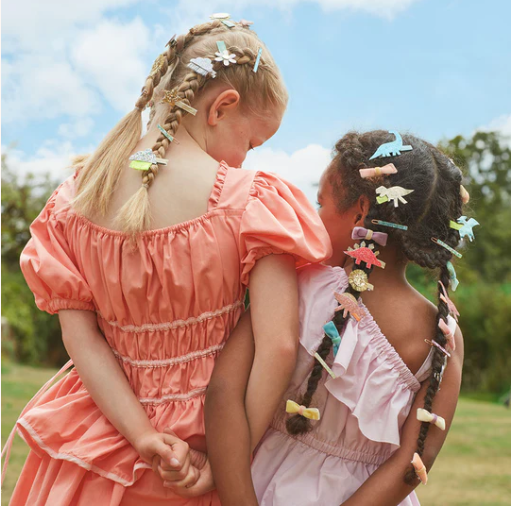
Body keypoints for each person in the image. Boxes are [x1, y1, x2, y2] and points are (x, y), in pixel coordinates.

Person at [2, 17, 332, 505]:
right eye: (252, 142)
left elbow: (81, 340)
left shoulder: (72, 202)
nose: (245, 158)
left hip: (101, 445)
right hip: (213, 444)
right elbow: (278, 346)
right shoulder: (253, 202)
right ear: (222, 108)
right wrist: (229, 460)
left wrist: (144, 437)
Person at [205, 130, 467, 505]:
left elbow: (223, 390)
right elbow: (418, 457)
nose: (314, 218)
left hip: (262, 485)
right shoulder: (441, 336)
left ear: (361, 211)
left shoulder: (296, 286)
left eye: (321, 205)